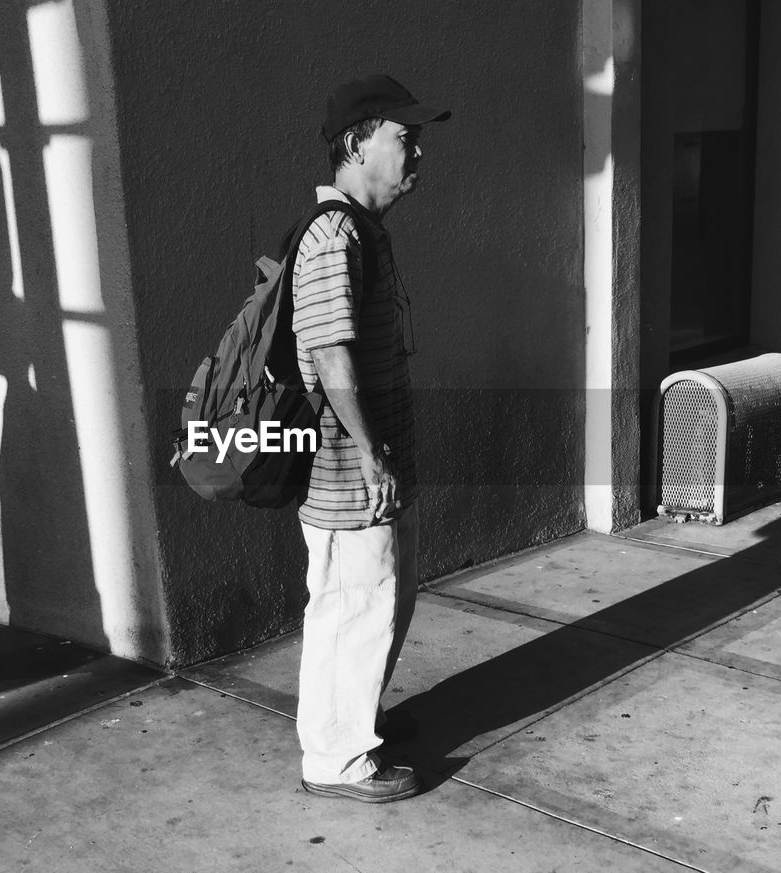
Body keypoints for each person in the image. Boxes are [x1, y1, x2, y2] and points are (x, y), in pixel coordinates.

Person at [290, 74, 450, 803]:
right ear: (357, 145)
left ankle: (359, 718)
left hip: (370, 467)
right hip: (347, 473)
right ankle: (338, 759)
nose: (416, 152)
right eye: (403, 138)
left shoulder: (361, 230)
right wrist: (369, 451)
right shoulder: (333, 237)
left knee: (379, 599)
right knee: (353, 605)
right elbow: (329, 356)